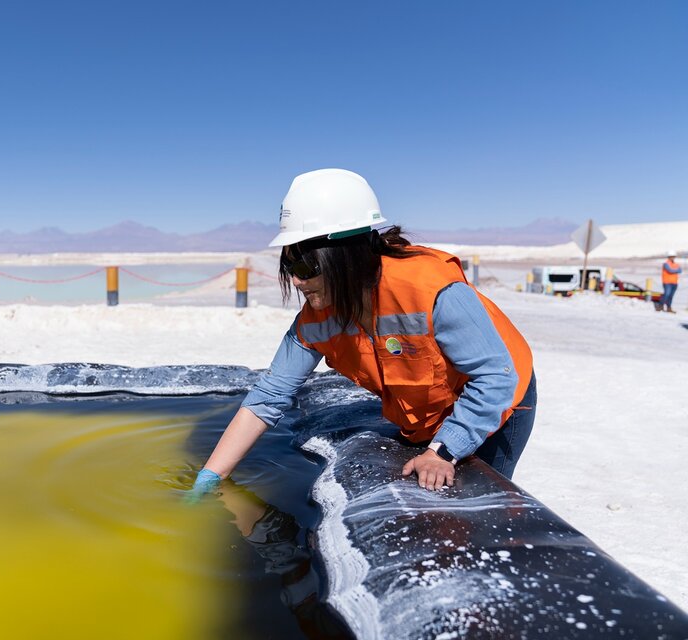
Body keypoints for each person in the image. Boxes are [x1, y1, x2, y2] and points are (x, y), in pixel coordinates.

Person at [189, 168, 536, 499]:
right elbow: (269, 397)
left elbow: (494, 376)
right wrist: (211, 476)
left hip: (500, 400)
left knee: (470, 506)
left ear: (343, 254)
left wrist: (443, 450)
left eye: (304, 266)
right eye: (288, 266)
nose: (296, 280)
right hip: (431, 411)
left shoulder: (429, 289)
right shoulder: (316, 320)